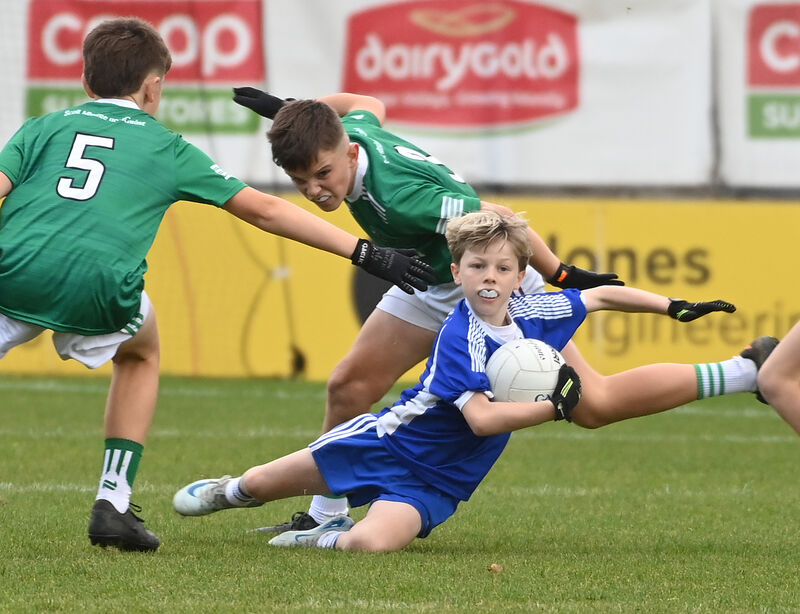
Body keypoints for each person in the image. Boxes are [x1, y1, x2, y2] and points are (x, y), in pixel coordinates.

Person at [231, 88, 766, 533]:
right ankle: (325, 516)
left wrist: (557, 274)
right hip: (432, 277)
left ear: (348, 154)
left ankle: (745, 372)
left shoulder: (399, 196)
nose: (315, 190)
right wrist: (296, 111)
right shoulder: (353, 136)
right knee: (348, 386)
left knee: (593, 404)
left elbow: (498, 214)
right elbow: (367, 102)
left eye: (322, 174)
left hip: (485, 284)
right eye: (302, 182)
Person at [0, 18, 435, 553]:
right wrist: (364, 251)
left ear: (86, 82)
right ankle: (112, 503)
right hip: (102, 289)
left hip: (11, 272)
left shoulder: (41, 128)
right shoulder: (168, 147)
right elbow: (267, 210)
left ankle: (115, 503)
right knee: (139, 354)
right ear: (153, 86)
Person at [172, 210, 762, 552]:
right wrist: (556, 406)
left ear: (519, 277)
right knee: (261, 483)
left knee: (372, 545)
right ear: (456, 272)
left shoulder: (537, 314)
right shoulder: (463, 336)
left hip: (443, 478)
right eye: (477, 266)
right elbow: (480, 418)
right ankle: (230, 490)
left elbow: (600, 294)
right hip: (387, 441)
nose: (489, 276)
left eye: (504, 268)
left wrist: (670, 305)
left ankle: (314, 540)